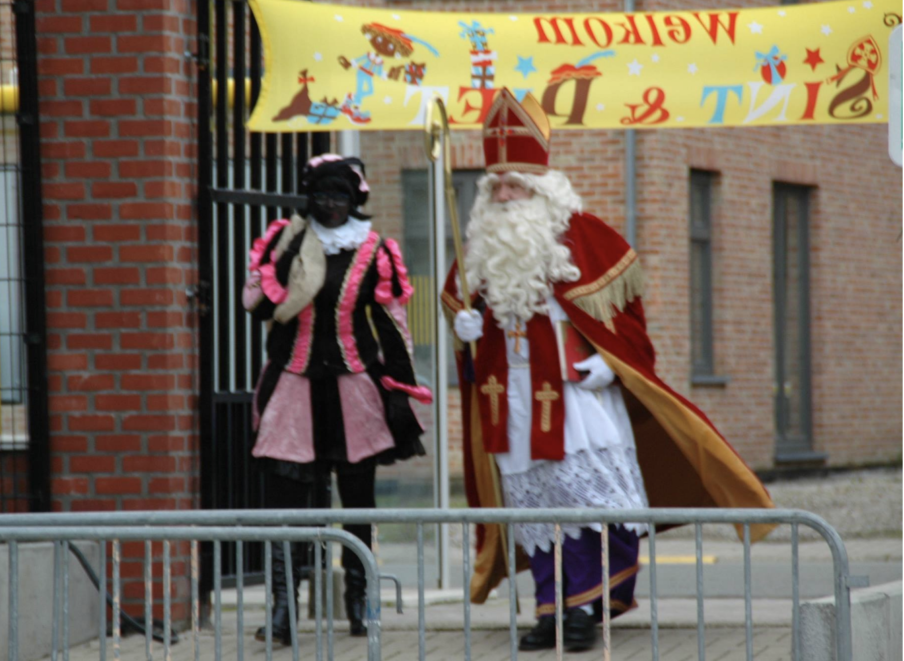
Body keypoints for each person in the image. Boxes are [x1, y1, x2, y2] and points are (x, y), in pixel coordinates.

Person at [441, 90, 774, 652]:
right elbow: (473, 349)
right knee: (534, 511)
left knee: (587, 509)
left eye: (514, 185)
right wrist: (464, 332)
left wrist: (607, 366)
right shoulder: (476, 255)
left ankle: (585, 609)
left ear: (541, 189)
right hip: (514, 405)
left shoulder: (588, 240)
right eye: (494, 186)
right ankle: (549, 610)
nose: (502, 196)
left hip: (577, 401)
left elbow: (633, 329)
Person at [243, 153, 430, 645]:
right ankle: (283, 610)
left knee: (358, 502)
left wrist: (399, 387)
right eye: (323, 195)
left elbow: (392, 326)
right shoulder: (285, 241)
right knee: (289, 505)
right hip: (294, 383)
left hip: (353, 387)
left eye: (340, 196)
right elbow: (258, 307)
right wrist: (282, 254)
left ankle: (360, 605)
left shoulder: (374, 251)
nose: (331, 205)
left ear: (356, 200)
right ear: (310, 196)